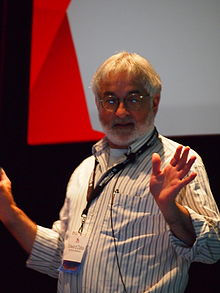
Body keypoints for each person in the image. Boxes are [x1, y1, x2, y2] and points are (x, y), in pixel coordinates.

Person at [0, 51, 220, 293]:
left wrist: (170, 208)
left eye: (133, 99)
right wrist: (10, 213)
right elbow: (61, 260)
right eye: (110, 100)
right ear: (98, 104)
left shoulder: (179, 162)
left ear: (154, 102)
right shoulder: (84, 171)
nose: (121, 112)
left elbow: (212, 249)